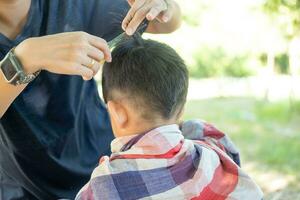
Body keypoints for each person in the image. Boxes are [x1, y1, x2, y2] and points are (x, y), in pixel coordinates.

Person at [0, 0, 182, 199]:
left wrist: (164, 6)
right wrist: (23, 59)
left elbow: (162, 23)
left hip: (108, 169)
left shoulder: (69, 5)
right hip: (28, 187)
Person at [76, 36, 263, 200]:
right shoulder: (212, 153)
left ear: (117, 113)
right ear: (181, 110)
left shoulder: (105, 184)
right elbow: (203, 132)